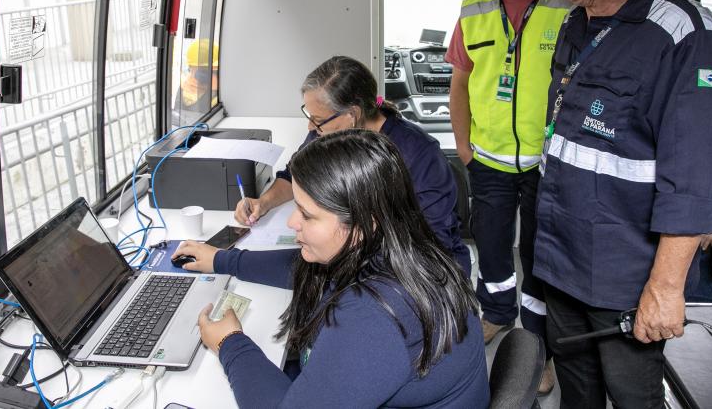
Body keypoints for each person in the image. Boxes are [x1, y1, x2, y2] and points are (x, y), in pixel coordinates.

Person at [531, 0, 712, 406]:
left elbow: (692, 182)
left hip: (627, 277)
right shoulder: (579, 21)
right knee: (578, 393)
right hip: (565, 259)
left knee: (633, 397)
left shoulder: (688, 37)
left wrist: (665, 291)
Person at [173, 129, 489, 407]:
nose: (292, 222)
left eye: (307, 215)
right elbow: (301, 266)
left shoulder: (375, 318)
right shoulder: (405, 247)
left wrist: (231, 343)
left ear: (364, 224)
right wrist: (222, 260)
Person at [446, 0, 570, 392]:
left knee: (542, 255)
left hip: (549, 162)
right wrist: (463, 147)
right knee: (493, 248)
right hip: (490, 159)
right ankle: (496, 313)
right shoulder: (474, 9)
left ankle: (539, 347)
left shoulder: (569, 3)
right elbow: (460, 84)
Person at [234, 55, 470, 275]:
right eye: (310, 118)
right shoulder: (325, 133)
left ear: (352, 115)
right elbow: (292, 175)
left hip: (415, 269)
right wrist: (262, 203)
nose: (310, 129)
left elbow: (433, 242)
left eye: (317, 121)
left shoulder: (418, 154)